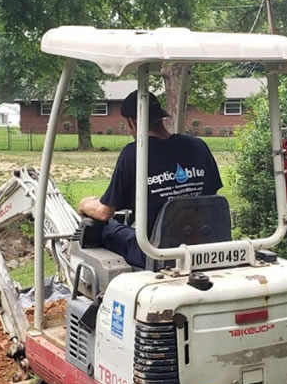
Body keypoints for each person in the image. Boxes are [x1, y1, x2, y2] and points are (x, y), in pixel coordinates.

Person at [78, 90, 222, 267]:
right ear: (160, 117)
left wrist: (85, 203)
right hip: (203, 245)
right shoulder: (198, 147)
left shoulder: (134, 154)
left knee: (108, 228)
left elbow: (104, 212)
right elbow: (212, 198)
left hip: (156, 254)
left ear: (132, 122)